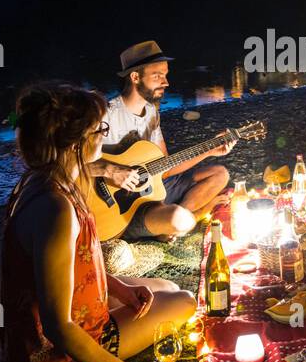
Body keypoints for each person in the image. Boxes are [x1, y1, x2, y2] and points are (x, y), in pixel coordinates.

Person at [1, 80, 196, 362]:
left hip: (53, 325)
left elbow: (70, 269)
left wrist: (119, 288)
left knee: (164, 288)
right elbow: (56, 326)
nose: (105, 134)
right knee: (184, 301)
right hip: (53, 360)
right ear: (76, 144)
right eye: (98, 129)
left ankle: (124, 298)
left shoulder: (40, 179)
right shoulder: (55, 209)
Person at [92, 40, 235, 241]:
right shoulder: (105, 113)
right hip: (122, 207)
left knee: (220, 174)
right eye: (157, 76)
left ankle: (168, 223)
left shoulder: (151, 112)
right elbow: (69, 162)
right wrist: (111, 170)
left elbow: (165, 167)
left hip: (154, 187)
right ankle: (179, 220)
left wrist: (210, 150)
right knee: (180, 220)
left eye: (165, 75)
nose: (166, 82)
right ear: (135, 77)